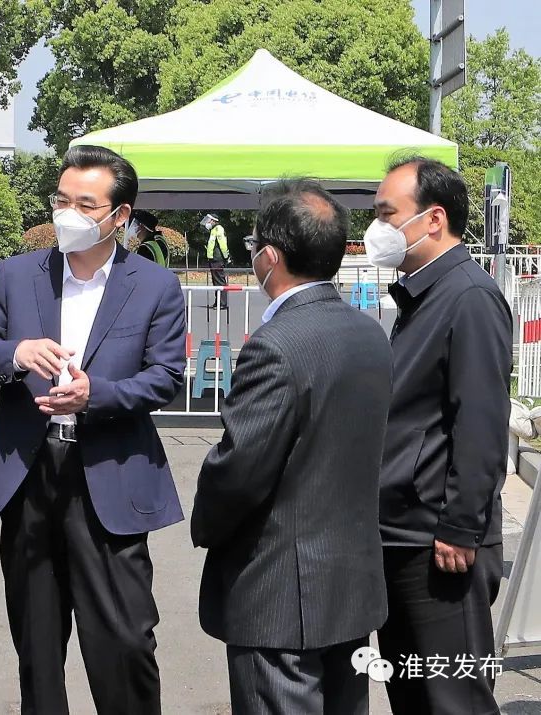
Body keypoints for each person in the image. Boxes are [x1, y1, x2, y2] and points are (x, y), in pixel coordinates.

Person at [0, 144, 188, 714]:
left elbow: (165, 378)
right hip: (31, 475)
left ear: (120, 215)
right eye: (62, 200)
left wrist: (94, 395)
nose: (68, 214)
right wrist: (16, 353)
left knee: (125, 643)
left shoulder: (154, 285)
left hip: (110, 475)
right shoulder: (16, 275)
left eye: (86, 204)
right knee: (37, 647)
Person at [191, 180, 392, 715]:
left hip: (278, 594)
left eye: (254, 245)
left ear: (271, 257)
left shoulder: (275, 345)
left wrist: (205, 523)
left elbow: (239, 469)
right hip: (349, 587)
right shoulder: (369, 333)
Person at [369, 157, 512, 714]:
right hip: (403, 533)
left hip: (440, 540)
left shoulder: (468, 296)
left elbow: (480, 420)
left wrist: (460, 526)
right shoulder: (423, 295)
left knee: (454, 699)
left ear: (433, 219)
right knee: (413, 694)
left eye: (388, 214)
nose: (377, 228)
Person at [205, 214, 229, 306]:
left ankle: (222, 303)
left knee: (220, 281)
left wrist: (226, 257)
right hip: (213, 259)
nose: (208, 222)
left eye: (209, 220)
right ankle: (218, 302)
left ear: (214, 221)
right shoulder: (213, 229)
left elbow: (223, 244)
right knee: (216, 281)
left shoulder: (219, 229)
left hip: (217, 259)